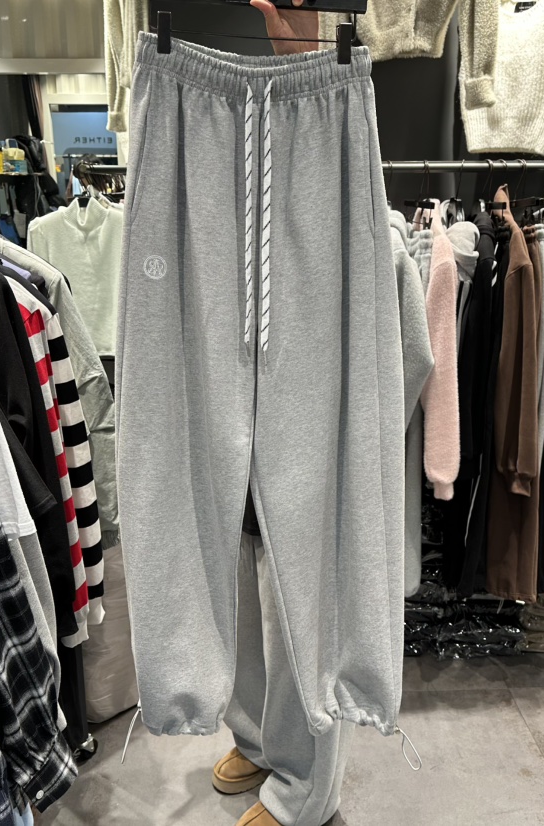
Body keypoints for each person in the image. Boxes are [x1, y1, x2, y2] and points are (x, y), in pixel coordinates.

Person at [209, 6, 353, 826]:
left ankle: (308, 787)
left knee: (304, 613)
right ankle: (258, 738)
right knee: (241, 596)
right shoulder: (220, 188)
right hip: (239, 423)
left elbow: (402, 351)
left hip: (308, 433)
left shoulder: (342, 175)